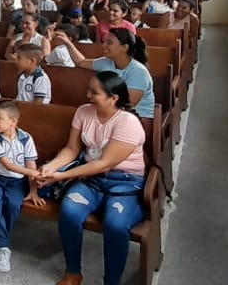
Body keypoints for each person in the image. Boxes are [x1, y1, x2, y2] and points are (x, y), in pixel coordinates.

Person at [36, 72, 147, 285]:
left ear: (113, 98)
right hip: (92, 180)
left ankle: (111, 282)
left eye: (94, 93)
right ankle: (73, 274)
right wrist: (49, 168)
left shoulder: (128, 123)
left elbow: (104, 163)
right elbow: (71, 149)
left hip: (124, 182)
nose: (88, 95)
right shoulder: (83, 112)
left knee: (115, 224)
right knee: (69, 210)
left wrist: (61, 175)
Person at [0, 99, 42, 273]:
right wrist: (32, 173)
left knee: (14, 205)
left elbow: (31, 164)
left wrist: (33, 191)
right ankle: (3, 248)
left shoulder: (26, 139)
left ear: (13, 122)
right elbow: (8, 165)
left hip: (16, 181)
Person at [54, 28, 155, 128]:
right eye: (104, 41)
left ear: (124, 47)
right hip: (109, 111)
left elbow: (126, 105)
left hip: (137, 118)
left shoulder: (138, 72)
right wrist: (68, 43)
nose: (104, 45)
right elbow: (81, 62)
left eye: (109, 43)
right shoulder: (106, 62)